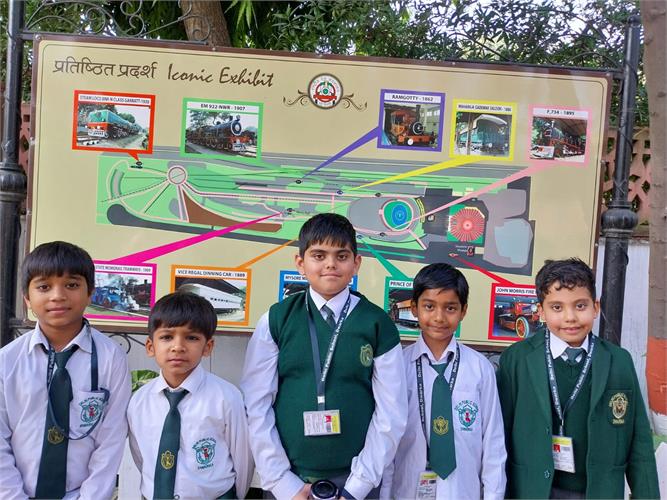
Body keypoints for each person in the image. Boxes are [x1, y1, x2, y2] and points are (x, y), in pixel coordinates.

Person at [241, 213, 408, 499]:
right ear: (300, 263)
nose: (330, 264)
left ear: (356, 263)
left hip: (356, 481)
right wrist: (282, 482)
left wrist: (358, 486)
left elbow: (391, 413)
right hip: (290, 479)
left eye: (341, 256)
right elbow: (256, 405)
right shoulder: (277, 320)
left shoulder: (377, 324)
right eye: (319, 255)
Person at [497, 258, 660, 499]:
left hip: (599, 491)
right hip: (532, 490)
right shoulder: (517, 359)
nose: (570, 317)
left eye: (580, 306)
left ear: (596, 307)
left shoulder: (619, 361)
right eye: (557, 307)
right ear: (541, 311)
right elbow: (500, 435)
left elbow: (639, 442)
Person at [0, 241, 131, 499]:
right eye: (44, 287)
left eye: (71, 285)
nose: (58, 295)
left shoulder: (110, 358)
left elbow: (111, 441)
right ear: (27, 297)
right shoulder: (7, 361)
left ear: (90, 293)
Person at [381, 263, 506, 499]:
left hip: (462, 492)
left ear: (463, 311)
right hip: (407, 491)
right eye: (429, 306)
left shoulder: (480, 368)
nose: (439, 317)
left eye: (450, 308)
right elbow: (387, 437)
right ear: (414, 308)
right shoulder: (398, 367)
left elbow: (493, 442)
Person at [128, 291, 253, 499]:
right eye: (167, 337)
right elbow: (142, 457)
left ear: (208, 347)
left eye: (191, 337)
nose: (178, 347)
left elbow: (243, 461)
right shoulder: (139, 401)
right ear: (150, 347)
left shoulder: (226, 397)